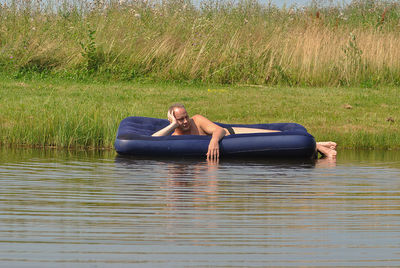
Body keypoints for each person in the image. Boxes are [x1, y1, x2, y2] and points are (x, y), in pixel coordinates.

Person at [152, 103, 337, 160]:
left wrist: (214, 141)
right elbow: (151, 140)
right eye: (180, 119)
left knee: (273, 136)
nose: (185, 121)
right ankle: (321, 145)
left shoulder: (197, 120)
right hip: (230, 138)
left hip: (233, 133)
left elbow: (218, 130)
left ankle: (319, 144)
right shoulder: (173, 132)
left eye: (185, 117)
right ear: (172, 119)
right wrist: (172, 125)